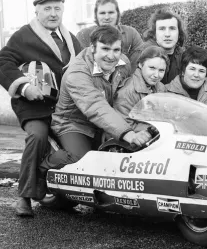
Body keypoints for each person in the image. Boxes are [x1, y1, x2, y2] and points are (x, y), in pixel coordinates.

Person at [0, 0, 82, 217]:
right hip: (34, 105)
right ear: (37, 12)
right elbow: (1, 63)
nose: (53, 13)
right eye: (48, 9)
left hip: (65, 108)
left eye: (58, 9)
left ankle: (64, 190)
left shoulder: (72, 38)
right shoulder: (23, 36)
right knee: (38, 136)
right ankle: (23, 198)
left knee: (80, 144)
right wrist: (23, 87)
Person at [39, 26, 152, 179]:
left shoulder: (123, 63)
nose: (111, 56)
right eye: (105, 49)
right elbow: (95, 106)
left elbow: (124, 93)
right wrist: (128, 133)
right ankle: (41, 170)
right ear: (92, 48)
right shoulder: (77, 72)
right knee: (81, 161)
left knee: (120, 158)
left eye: (116, 50)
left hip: (101, 123)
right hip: (73, 123)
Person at [76, 0, 143, 73]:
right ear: (96, 15)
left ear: (117, 14)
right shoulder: (84, 35)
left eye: (111, 12)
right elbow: (83, 65)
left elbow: (137, 64)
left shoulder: (131, 34)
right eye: (102, 13)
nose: (107, 17)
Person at [114, 46, 169, 131]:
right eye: (152, 68)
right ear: (140, 64)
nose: (156, 75)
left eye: (161, 70)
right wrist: (153, 129)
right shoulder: (127, 92)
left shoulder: (161, 88)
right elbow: (123, 126)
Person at [165, 45, 207, 113]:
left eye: (201, 71)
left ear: (206, 75)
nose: (196, 75)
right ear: (183, 71)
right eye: (192, 69)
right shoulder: (166, 93)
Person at [136, 9, 186, 84]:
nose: (167, 34)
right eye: (162, 29)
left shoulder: (182, 55)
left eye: (172, 29)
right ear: (154, 34)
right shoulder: (142, 53)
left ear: (179, 33)